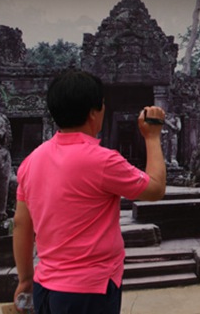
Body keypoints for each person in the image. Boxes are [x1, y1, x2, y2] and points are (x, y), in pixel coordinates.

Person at [13, 68, 167, 314]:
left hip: (45, 285)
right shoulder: (103, 161)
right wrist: (152, 137)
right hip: (89, 290)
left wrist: (25, 278)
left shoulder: (31, 161)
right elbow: (156, 188)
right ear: (94, 113)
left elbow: (21, 223)